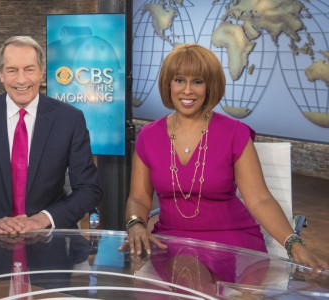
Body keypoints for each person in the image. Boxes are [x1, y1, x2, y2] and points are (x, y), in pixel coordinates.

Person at [120, 43, 328, 273]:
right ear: (168, 84)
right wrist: (136, 223)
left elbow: (259, 199)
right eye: (179, 80)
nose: (187, 90)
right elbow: (138, 198)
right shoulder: (148, 136)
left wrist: (293, 243)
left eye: (197, 81)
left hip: (232, 240)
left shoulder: (235, 133)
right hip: (172, 239)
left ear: (210, 86)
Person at [0, 36, 101, 234]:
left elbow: (89, 188)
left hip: (48, 237)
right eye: (12, 70)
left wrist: (44, 218)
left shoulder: (70, 119)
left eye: (29, 69)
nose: (21, 80)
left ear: (41, 73)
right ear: (1, 74)